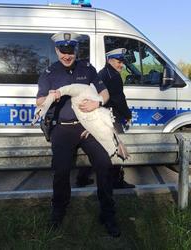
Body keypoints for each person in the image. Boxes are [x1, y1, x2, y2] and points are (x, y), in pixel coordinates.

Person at [36, 32, 121, 237]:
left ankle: (107, 213)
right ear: (57, 50)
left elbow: (105, 93)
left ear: (76, 50)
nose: (67, 55)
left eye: (70, 51)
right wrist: (49, 97)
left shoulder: (88, 69)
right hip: (63, 129)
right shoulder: (49, 73)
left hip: (87, 127)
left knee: (104, 164)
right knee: (61, 170)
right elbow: (39, 101)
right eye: (62, 51)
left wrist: (97, 103)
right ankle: (58, 211)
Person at [76, 48, 135, 189]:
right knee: (117, 146)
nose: (121, 65)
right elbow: (119, 100)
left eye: (122, 62)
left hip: (97, 116)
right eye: (118, 61)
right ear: (109, 60)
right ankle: (117, 181)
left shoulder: (102, 73)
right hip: (110, 117)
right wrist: (127, 115)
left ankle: (82, 177)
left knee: (97, 146)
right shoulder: (113, 76)